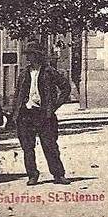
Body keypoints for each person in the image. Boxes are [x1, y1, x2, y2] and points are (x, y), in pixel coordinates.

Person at [10, 43, 72, 186]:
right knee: (27, 147)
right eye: (27, 55)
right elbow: (18, 94)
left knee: (50, 146)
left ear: (37, 55)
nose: (28, 58)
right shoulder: (24, 73)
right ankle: (32, 175)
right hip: (26, 114)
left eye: (31, 54)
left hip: (44, 115)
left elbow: (65, 87)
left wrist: (55, 105)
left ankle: (58, 175)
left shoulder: (49, 71)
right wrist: (15, 113)